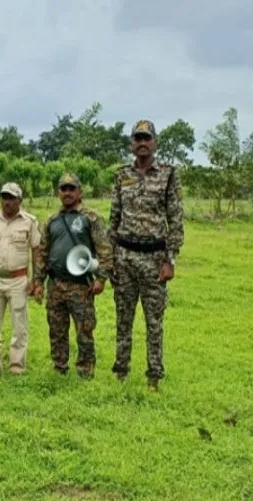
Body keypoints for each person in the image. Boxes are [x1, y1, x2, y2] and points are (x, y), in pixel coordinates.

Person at [109, 120, 185, 391]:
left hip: (155, 259)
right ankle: (121, 372)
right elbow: (114, 218)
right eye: (138, 138)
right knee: (123, 319)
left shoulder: (167, 174)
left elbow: (175, 219)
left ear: (155, 142)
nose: (142, 143)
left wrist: (170, 260)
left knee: (154, 322)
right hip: (125, 257)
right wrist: (110, 261)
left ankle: (154, 377)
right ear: (131, 143)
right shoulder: (121, 175)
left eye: (147, 138)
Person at [31, 173, 113, 379]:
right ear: (58, 192)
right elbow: (42, 252)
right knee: (56, 329)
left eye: (71, 189)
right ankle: (59, 367)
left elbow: (104, 250)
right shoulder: (52, 220)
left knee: (84, 330)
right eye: (63, 189)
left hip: (81, 286)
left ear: (80, 192)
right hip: (55, 284)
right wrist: (38, 281)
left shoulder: (91, 218)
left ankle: (85, 370)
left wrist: (101, 279)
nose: (67, 193)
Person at [0, 182, 41, 375]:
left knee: (19, 325)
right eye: (4, 197)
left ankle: (17, 366)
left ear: (20, 200)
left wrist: (36, 279)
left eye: (11, 198)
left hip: (18, 280)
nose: (7, 202)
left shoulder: (29, 222)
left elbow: (36, 251)